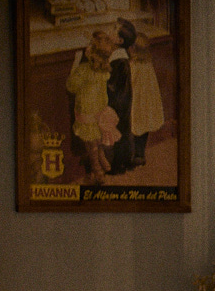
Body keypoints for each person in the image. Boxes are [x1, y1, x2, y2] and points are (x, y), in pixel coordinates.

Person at [65, 31, 113, 181]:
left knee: (90, 141)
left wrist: (74, 67)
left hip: (86, 110)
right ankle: (101, 157)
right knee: (97, 137)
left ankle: (97, 168)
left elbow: (71, 86)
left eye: (90, 46)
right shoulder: (104, 70)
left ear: (91, 53)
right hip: (99, 110)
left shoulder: (83, 70)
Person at [104, 19, 138, 174]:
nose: (109, 30)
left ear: (119, 41)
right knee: (123, 130)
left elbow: (112, 85)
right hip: (121, 99)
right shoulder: (118, 57)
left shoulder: (119, 61)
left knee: (120, 132)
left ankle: (119, 165)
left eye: (113, 28)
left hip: (119, 102)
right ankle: (127, 161)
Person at [128, 33, 164, 167]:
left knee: (134, 127)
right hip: (147, 102)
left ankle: (135, 155)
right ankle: (140, 154)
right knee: (143, 129)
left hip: (137, 102)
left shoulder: (133, 66)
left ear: (133, 49)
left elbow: (130, 84)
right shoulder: (148, 64)